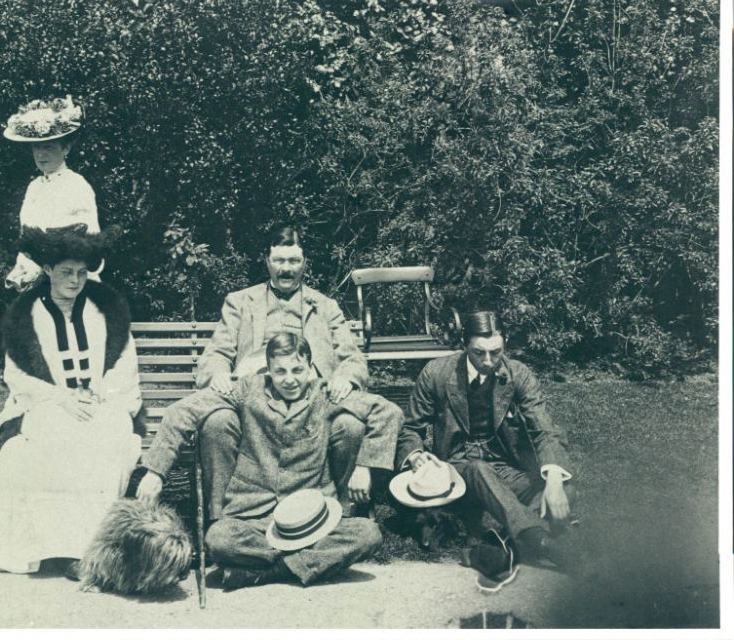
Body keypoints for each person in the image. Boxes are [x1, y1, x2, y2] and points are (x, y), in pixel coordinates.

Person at [136, 332, 399, 590]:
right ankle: (305, 564)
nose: (290, 380)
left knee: (368, 534)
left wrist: (364, 467)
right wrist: (155, 473)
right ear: (268, 370)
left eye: (298, 370)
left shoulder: (325, 395)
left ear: (310, 368)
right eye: (280, 371)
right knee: (218, 539)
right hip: (254, 515)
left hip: (311, 518)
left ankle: (264, 573)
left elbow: (388, 412)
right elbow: (182, 411)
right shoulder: (248, 389)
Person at [0, 226, 142, 578]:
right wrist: (61, 398)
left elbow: (123, 365)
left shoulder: (107, 310)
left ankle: (88, 549)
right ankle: (57, 548)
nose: (75, 280)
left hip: (101, 403)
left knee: (109, 436)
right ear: (49, 270)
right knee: (51, 442)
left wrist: (100, 397)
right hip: (49, 405)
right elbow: (18, 376)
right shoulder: (25, 315)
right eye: (66, 272)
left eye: (82, 273)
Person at [193, 223, 374, 519]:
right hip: (255, 406)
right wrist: (219, 374)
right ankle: (221, 521)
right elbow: (216, 353)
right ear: (267, 261)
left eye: (293, 261)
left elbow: (353, 358)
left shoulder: (326, 306)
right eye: (279, 261)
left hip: (311, 407)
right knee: (216, 423)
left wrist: (345, 376)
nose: (286, 269)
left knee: (351, 428)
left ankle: (342, 516)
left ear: (304, 264)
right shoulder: (240, 302)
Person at [395, 309, 576, 571]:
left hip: (502, 468)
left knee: (565, 490)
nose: (489, 361)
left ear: (505, 344)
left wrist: (556, 479)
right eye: (479, 352)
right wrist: (414, 455)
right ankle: (542, 542)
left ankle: (493, 547)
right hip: (456, 471)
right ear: (464, 345)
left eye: (496, 352)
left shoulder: (518, 375)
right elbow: (410, 429)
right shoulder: (436, 372)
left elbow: (544, 428)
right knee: (479, 468)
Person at [2, 96, 102, 291]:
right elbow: (26, 236)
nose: (41, 154)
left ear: (66, 148)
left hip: (71, 281)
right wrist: (24, 271)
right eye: (36, 147)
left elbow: (89, 241)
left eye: (48, 147)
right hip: (36, 281)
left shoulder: (76, 184)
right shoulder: (34, 187)